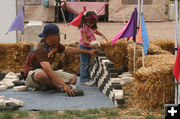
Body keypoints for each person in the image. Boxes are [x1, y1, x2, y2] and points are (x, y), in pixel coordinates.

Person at [24, 23, 98, 96]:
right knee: (41, 75)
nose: (59, 36)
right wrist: (64, 85)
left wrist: (88, 52)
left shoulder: (55, 44)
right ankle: (57, 87)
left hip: (47, 72)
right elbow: (48, 70)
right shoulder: (40, 49)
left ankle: (48, 86)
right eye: (57, 34)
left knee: (73, 79)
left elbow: (69, 50)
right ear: (50, 36)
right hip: (33, 74)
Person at [78, 11, 108, 86]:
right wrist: (91, 43)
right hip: (84, 47)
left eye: (93, 23)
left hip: (89, 46)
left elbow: (95, 31)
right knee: (84, 64)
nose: (91, 24)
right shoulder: (83, 28)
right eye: (90, 23)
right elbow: (84, 40)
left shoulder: (92, 26)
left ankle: (87, 78)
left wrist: (102, 35)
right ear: (85, 20)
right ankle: (83, 80)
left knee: (88, 63)